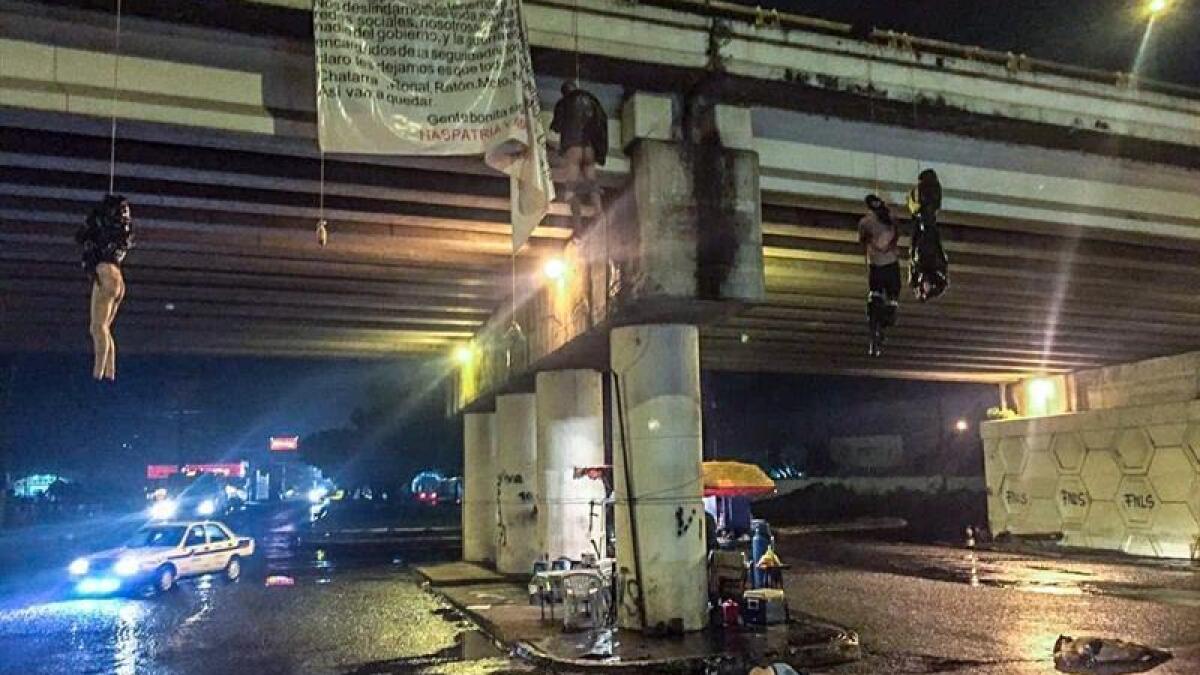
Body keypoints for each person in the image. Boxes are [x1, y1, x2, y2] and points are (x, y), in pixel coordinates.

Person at [76, 194, 133, 381]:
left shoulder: (101, 232)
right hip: (117, 278)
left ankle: (98, 372)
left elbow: (82, 237)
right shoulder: (120, 236)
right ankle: (109, 372)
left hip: (105, 274)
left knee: (97, 327)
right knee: (105, 328)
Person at [550, 80, 607, 229]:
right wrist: (600, 150)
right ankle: (599, 214)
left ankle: (578, 227)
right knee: (592, 182)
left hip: (573, 147)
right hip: (589, 148)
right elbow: (602, 121)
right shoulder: (592, 100)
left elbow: (556, 126)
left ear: (564, 92)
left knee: (571, 188)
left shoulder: (563, 102)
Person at [858, 194, 900, 357]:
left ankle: (875, 333)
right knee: (891, 302)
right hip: (891, 264)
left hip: (875, 265)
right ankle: (880, 329)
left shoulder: (865, 222)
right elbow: (896, 237)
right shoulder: (891, 219)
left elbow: (862, 241)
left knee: (874, 300)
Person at [907, 168, 949, 302]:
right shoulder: (937, 276)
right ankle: (925, 191)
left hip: (921, 244)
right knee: (927, 220)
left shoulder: (916, 278)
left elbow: (912, 260)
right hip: (927, 245)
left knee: (922, 219)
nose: (924, 287)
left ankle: (921, 196)